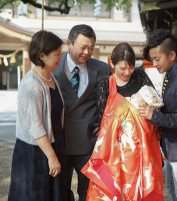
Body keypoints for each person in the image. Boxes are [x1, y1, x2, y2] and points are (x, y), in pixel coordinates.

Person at [81, 42, 164, 200]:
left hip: (142, 150)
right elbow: (103, 121)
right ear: (112, 64)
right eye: (122, 68)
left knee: (140, 191)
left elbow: (156, 103)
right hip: (115, 153)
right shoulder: (105, 85)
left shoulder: (140, 76)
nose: (127, 72)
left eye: (131, 67)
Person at [52, 24, 112, 201]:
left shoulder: (102, 69)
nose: (87, 52)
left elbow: (111, 102)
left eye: (91, 48)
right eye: (82, 46)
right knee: (60, 192)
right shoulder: (53, 68)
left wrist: (103, 124)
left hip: (88, 142)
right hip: (59, 141)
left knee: (89, 192)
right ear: (69, 43)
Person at [8, 30, 68, 200]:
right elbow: (35, 126)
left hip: (53, 145)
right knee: (36, 193)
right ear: (42, 55)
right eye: (57, 54)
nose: (60, 58)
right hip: (36, 151)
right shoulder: (31, 84)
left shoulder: (51, 77)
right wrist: (52, 157)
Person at [139, 29, 177, 201]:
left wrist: (154, 116)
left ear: (171, 55)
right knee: (174, 194)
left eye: (157, 58)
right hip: (173, 147)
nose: (154, 63)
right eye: (152, 59)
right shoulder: (172, 73)